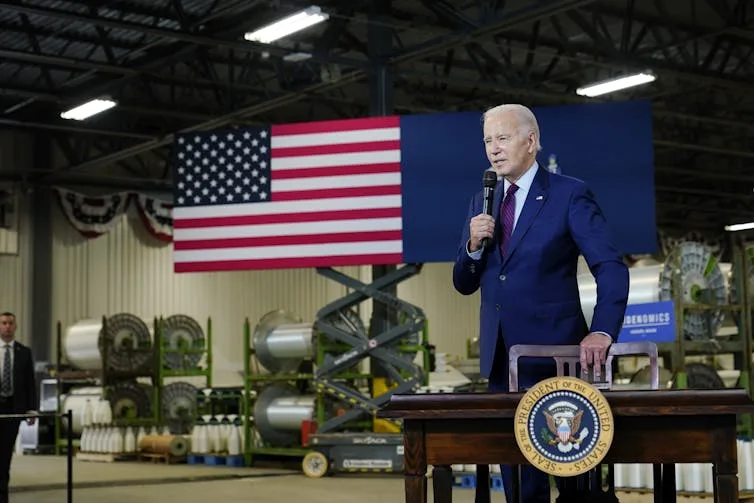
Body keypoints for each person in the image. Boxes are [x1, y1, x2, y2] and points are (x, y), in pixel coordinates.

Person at [452, 104, 629, 503]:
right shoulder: (482, 200)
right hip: (502, 363)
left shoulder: (569, 194)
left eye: (502, 138)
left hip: (558, 360)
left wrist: (602, 331)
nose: (493, 150)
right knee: (518, 484)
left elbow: (610, 267)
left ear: (530, 141)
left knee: (573, 480)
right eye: (487, 141)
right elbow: (463, 283)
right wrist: (472, 246)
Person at [0, 312, 37, 503]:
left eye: (10, 323)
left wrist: (31, 409)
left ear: (15, 327)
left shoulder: (24, 352)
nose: (7, 326)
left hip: (13, 410)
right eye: (4, 323)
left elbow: (30, 382)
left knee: (5, 457)